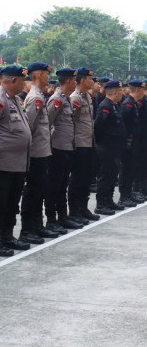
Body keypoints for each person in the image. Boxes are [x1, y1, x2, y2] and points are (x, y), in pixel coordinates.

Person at [20, 62, 59, 244]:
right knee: (33, 192)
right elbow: (29, 128)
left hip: (42, 152)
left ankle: (37, 226)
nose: (48, 77)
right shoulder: (35, 98)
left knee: (40, 191)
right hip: (36, 153)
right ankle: (28, 229)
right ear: (38, 76)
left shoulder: (40, 96)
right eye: (45, 74)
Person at [0, 65, 33, 255]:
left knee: (12, 203)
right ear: (13, 80)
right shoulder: (1, 99)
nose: (25, 84)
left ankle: (8, 236)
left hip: (18, 163)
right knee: (1, 204)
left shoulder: (15, 99)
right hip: (3, 164)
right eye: (22, 80)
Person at [46, 67, 82, 231]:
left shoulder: (66, 99)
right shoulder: (57, 100)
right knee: (54, 186)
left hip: (67, 148)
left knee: (62, 185)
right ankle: (52, 220)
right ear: (68, 80)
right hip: (57, 149)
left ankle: (62, 217)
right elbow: (48, 124)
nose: (76, 82)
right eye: (74, 80)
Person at [67, 67, 97, 224]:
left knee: (86, 177)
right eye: (90, 79)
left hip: (89, 142)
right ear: (83, 80)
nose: (92, 81)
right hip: (79, 143)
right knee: (77, 178)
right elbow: (72, 121)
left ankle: (83, 208)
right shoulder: (75, 98)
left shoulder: (87, 97)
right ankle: (74, 211)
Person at [94, 80, 125, 215]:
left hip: (114, 147)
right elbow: (98, 127)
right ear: (114, 92)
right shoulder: (105, 106)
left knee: (112, 175)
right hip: (106, 147)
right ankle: (101, 204)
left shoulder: (115, 105)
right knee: (106, 175)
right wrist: (103, 145)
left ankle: (109, 200)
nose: (122, 93)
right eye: (120, 90)